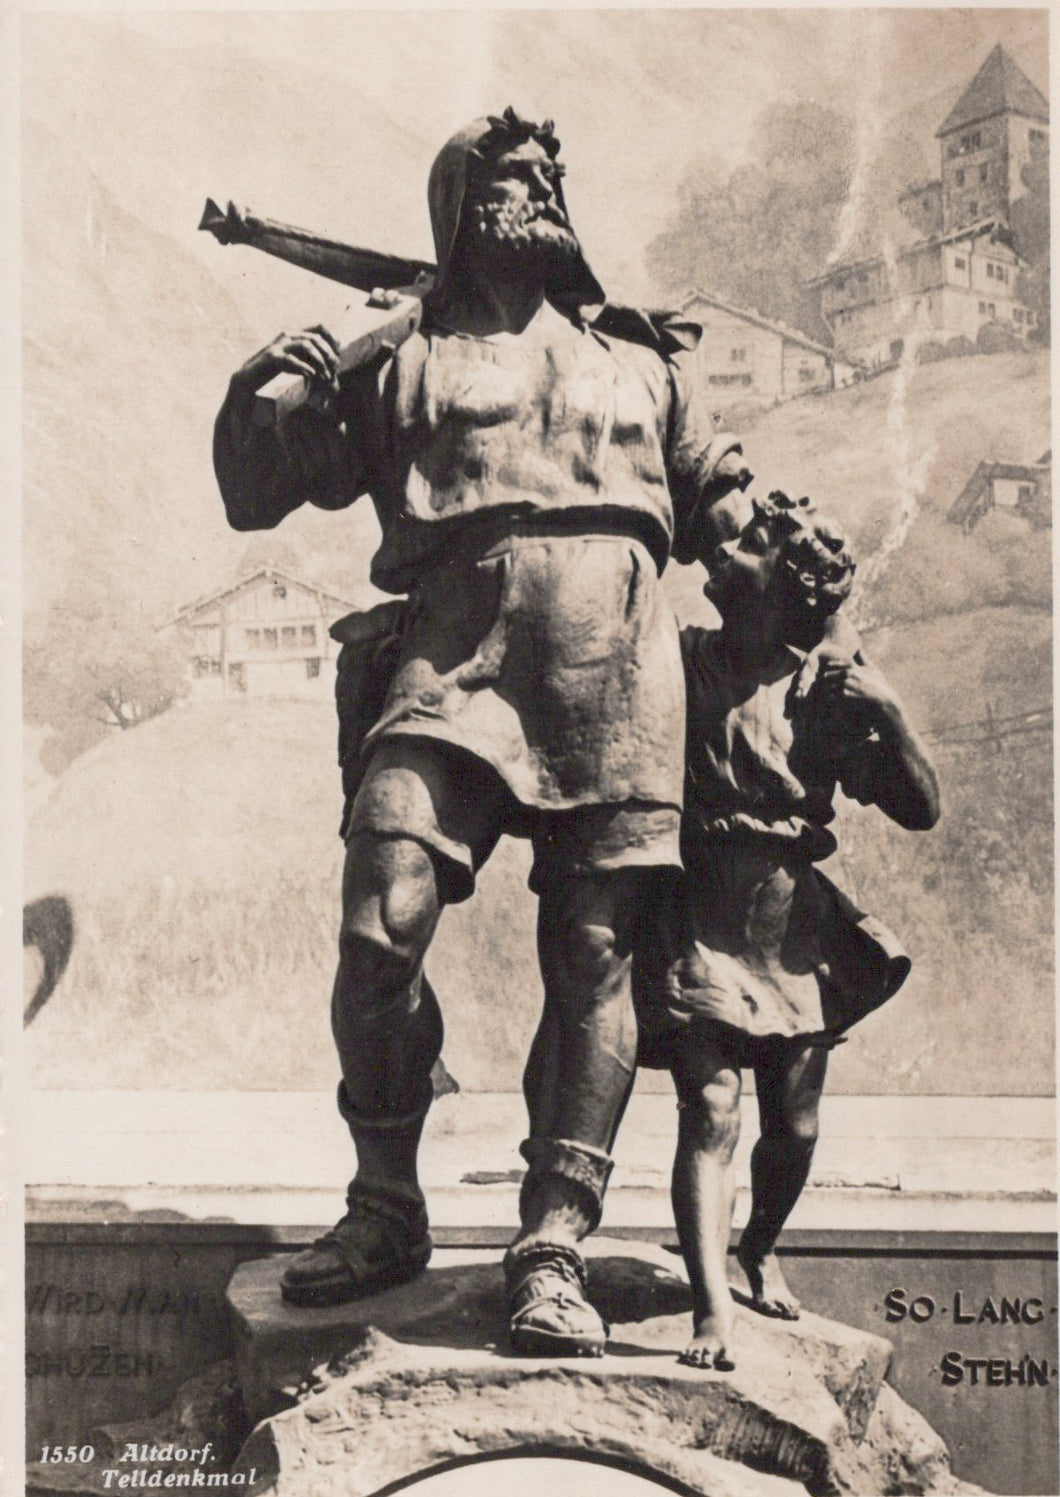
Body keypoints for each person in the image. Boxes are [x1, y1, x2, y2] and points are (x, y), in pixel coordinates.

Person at [213, 108, 751, 1355]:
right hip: (454, 651)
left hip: (621, 665)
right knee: (377, 931)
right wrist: (264, 390)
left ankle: (551, 1242)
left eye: (548, 172)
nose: (537, 185)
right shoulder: (399, 355)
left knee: (598, 952)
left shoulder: (642, 360)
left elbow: (727, 507)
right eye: (507, 174)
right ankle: (386, 1205)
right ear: (457, 205)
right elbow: (257, 495)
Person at [633, 491, 939, 1371]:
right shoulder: (682, 659)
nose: (728, 545)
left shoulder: (826, 695)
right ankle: (710, 1308)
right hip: (697, 916)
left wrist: (886, 709)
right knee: (711, 1109)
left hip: (792, 930)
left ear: (787, 592)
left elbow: (922, 807)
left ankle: (759, 1243)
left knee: (795, 1126)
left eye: (757, 542)